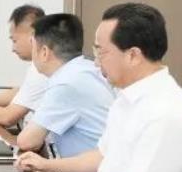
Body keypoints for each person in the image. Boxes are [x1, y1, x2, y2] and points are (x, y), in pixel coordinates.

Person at [19, 2, 182, 172]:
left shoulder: (165, 111)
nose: (96, 63)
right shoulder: (127, 96)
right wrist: (46, 165)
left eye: (101, 53)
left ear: (133, 55)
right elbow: (103, 156)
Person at [11, 13, 112, 158]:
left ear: (44, 52)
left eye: (33, 46)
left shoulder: (66, 83)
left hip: (91, 171)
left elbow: (27, 141)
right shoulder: (87, 69)